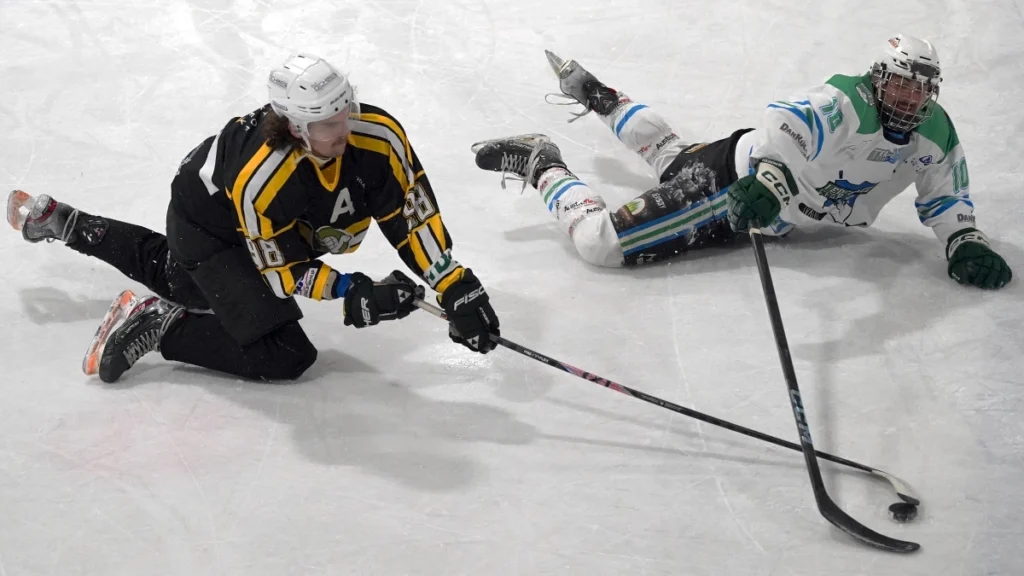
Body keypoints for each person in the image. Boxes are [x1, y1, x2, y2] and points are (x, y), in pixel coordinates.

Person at [7, 53, 501, 383]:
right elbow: (285, 273)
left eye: (344, 112)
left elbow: (410, 213)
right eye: (327, 124)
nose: (342, 130)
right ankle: (164, 324)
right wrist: (352, 291)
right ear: (293, 125)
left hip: (269, 223)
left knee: (192, 281)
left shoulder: (377, 135)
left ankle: (67, 223)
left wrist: (454, 282)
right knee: (283, 353)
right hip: (208, 226)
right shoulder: (264, 178)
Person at [470, 34, 1011, 289]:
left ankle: (601, 97)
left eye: (920, 89)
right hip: (732, 183)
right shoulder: (845, 99)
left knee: (673, 158)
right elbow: (786, 125)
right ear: (879, 76)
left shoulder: (934, 133)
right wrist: (771, 182)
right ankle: (542, 162)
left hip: (745, 182)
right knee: (601, 244)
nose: (909, 98)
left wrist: (962, 239)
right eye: (899, 83)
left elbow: (946, 195)